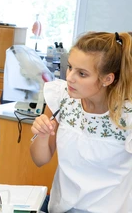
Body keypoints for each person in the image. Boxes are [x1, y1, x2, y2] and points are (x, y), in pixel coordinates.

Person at [30, 32, 132, 212]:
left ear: (107, 79)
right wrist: (42, 135)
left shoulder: (127, 115)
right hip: (59, 207)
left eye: (82, 74)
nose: (69, 77)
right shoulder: (62, 97)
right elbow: (40, 160)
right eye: (70, 67)